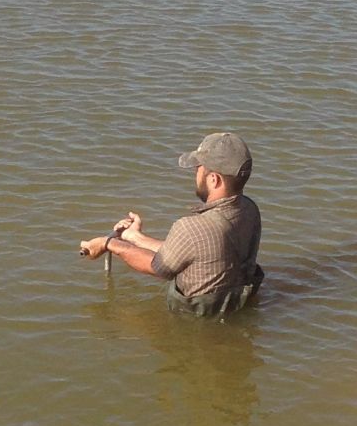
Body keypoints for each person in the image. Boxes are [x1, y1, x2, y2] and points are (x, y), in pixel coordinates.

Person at [80, 132, 264, 317]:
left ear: (214, 179)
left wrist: (109, 244)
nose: (195, 173)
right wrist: (134, 237)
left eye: (198, 168)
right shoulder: (250, 210)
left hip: (197, 321)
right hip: (235, 308)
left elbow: (158, 267)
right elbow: (190, 251)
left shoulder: (191, 228)